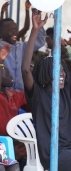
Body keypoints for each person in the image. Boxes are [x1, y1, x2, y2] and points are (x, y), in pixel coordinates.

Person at [22, 10, 71, 171]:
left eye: (62, 70)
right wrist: (35, 30)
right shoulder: (38, 95)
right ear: (44, 74)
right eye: (55, 70)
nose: (61, 73)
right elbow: (25, 70)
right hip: (54, 154)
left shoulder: (66, 92)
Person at [0, 0, 46, 92]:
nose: (15, 31)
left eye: (15, 29)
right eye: (10, 29)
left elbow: (40, 41)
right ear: (2, 33)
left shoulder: (22, 46)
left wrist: (39, 24)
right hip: (4, 91)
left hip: (22, 92)